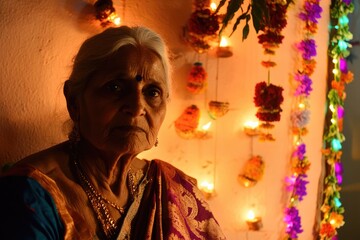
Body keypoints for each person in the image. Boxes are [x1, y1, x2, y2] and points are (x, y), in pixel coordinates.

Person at [0, 26, 226, 240]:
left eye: (152, 92)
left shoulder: (174, 190)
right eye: (115, 87)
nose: (137, 107)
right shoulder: (30, 195)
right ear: (74, 101)